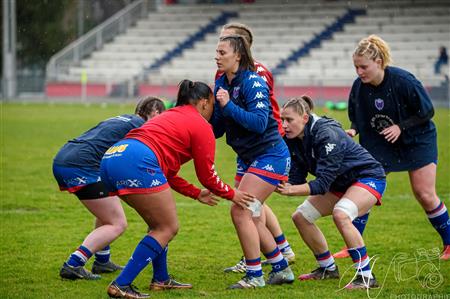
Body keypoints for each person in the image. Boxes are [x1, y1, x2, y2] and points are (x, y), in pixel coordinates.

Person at [101, 80, 254, 299]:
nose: (214, 111)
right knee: (168, 227)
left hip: (114, 156)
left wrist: (195, 193)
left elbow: (168, 174)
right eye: (213, 105)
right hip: (136, 160)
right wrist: (233, 194)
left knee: (157, 225)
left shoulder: (170, 115)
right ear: (203, 103)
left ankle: (161, 279)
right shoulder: (201, 126)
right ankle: (122, 284)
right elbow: (208, 176)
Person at [347, 34, 450, 260]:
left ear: (379, 62)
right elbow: (356, 116)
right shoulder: (359, 86)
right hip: (380, 143)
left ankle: (449, 243)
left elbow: (427, 111)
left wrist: (401, 127)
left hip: (417, 140)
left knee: (424, 193)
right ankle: (353, 245)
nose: (359, 72)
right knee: (366, 189)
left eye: (363, 67)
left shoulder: (404, 81)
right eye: (356, 67)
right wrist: (353, 130)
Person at [212, 35, 295, 289]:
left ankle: (255, 275)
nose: (216, 57)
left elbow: (259, 123)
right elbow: (217, 129)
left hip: (271, 154)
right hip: (252, 157)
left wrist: (226, 106)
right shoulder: (221, 82)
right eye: (216, 52)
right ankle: (281, 269)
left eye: (222, 52)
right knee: (254, 215)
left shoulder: (253, 82)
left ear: (237, 55)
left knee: (240, 210)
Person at [278, 95, 387, 289]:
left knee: (341, 214)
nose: (284, 125)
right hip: (339, 183)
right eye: (282, 119)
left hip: (367, 177)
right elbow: (297, 176)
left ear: (305, 118)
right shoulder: (292, 138)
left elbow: (322, 184)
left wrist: (291, 190)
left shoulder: (327, 134)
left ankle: (366, 277)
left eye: (289, 120)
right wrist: (278, 182)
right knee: (300, 217)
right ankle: (327, 268)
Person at [53, 96, 166, 280]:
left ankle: (102, 262)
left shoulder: (124, 118)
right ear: (155, 114)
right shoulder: (140, 128)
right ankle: (74, 264)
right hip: (80, 165)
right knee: (117, 223)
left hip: (66, 158)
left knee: (107, 213)